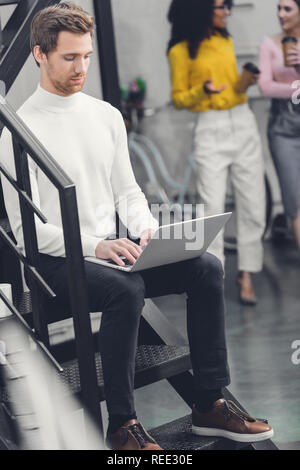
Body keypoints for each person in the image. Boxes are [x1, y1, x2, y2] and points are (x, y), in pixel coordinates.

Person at [0, 2, 273, 450]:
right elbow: (28, 229)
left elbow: (128, 193)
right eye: (70, 58)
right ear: (39, 55)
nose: (81, 67)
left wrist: (146, 231)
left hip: (111, 250)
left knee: (205, 267)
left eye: (86, 56)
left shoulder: (105, 115)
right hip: (55, 264)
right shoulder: (18, 130)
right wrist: (98, 247)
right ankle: (122, 426)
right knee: (125, 290)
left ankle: (209, 403)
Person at [168, 0, 266, 305]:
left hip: (242, 119)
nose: (227, 12)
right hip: (210, 129)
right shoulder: (181, 50)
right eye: (222, 6)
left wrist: (244, 82)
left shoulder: (226, 40)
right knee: (212, 208)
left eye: (229, 7)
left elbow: (232, 88)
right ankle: (216, 275)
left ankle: (247, 273)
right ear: (203, 10)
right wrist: (203, 91)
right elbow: (179, 99)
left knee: (254, 202)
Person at [258, 0, 300, 250]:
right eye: (278, 8)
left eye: (287, 9)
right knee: (294, 199)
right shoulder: (269, 44)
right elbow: (265, 87)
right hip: (282, 127)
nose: (281, 14)